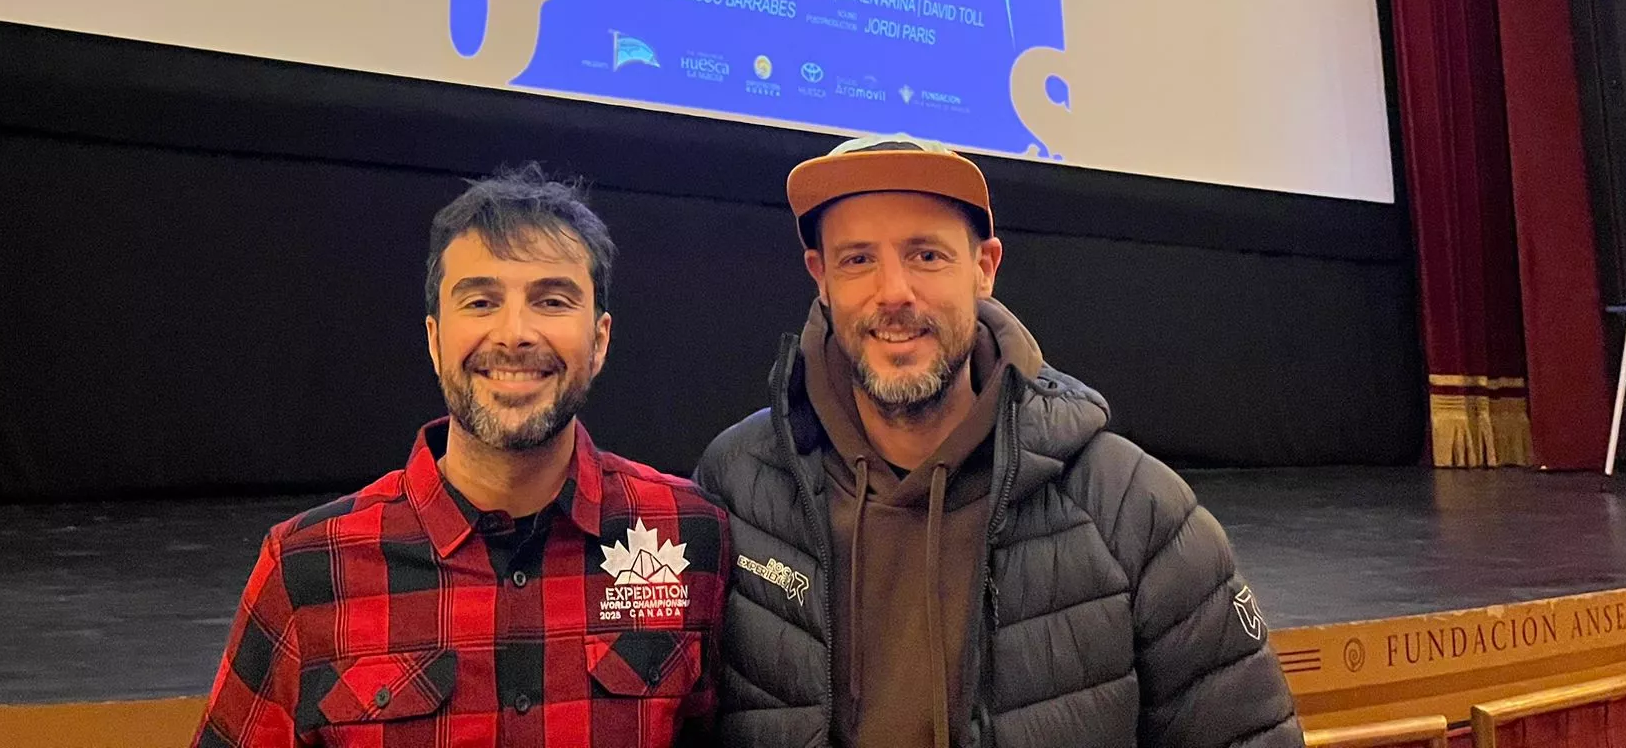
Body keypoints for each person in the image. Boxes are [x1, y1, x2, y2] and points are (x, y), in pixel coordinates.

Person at [695, 134, 1302, 748]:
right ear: (820, 278)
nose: (894, 292)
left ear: (984, 269)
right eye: (858, 260)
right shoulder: (737, 489)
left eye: (926, 256)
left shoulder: (1134, 510)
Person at [192, 166, 728, 747]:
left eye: (551, 300)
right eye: (480, 301)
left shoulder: (689, 535)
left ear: (598, 341)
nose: (514, 333)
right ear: (434, 338)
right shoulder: (308, 570)